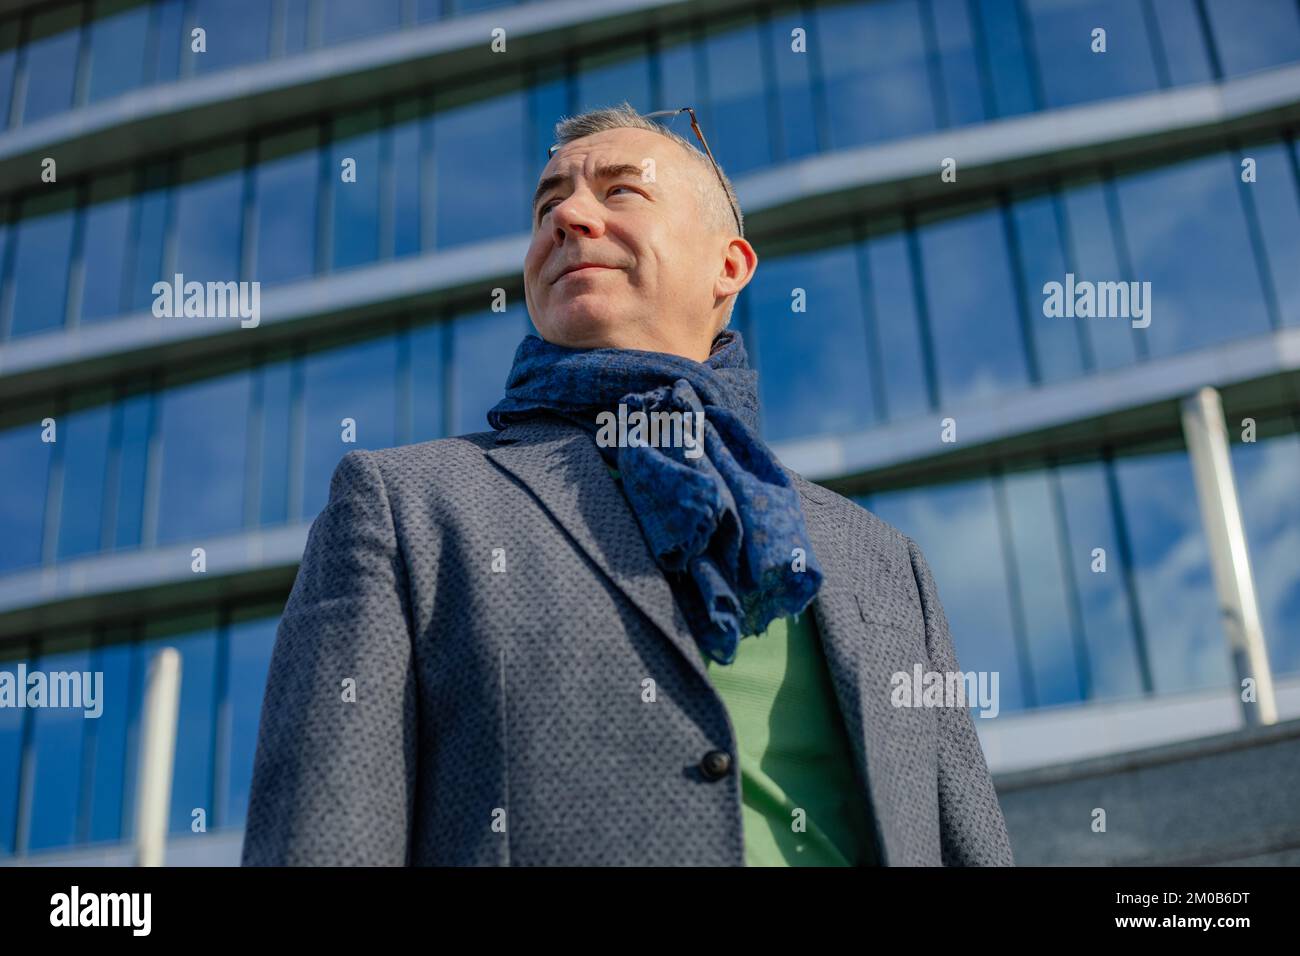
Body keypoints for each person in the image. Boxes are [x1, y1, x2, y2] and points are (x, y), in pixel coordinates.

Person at [241, 103, 1014, 867]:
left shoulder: (883, 562)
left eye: (620, 192)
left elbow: (967, 845)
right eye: (549, 203)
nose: (569, 217)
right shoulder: (405, 507)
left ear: (729, 266)